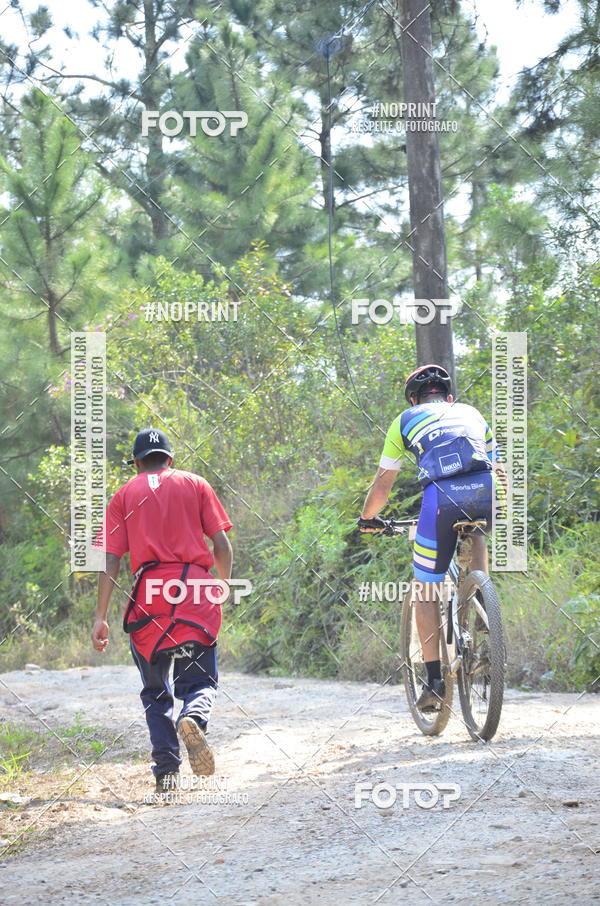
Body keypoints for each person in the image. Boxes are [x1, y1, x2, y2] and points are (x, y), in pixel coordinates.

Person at [358, 364, 506, 712]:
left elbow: (383, 485)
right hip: (487, 493)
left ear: (413, 399)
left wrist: (367, 518)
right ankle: (481, 601)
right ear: (449, 397)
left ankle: (435, 683)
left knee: (425, 588)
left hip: (441, 500)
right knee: (477, 531)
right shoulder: (472, 413)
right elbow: (498, 469)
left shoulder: (405, 419)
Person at [92, 428, 233, 792]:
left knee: (156, 692)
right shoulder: (196, 484)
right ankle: (195, 717)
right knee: (200, 681)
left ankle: (167, 775)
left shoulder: (123, 495)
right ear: (170, 458)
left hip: (148, 602)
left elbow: (111, 560)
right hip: (195, 595)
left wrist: (101, 616)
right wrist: (221, 587)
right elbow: (222, 545)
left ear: (137, 462)